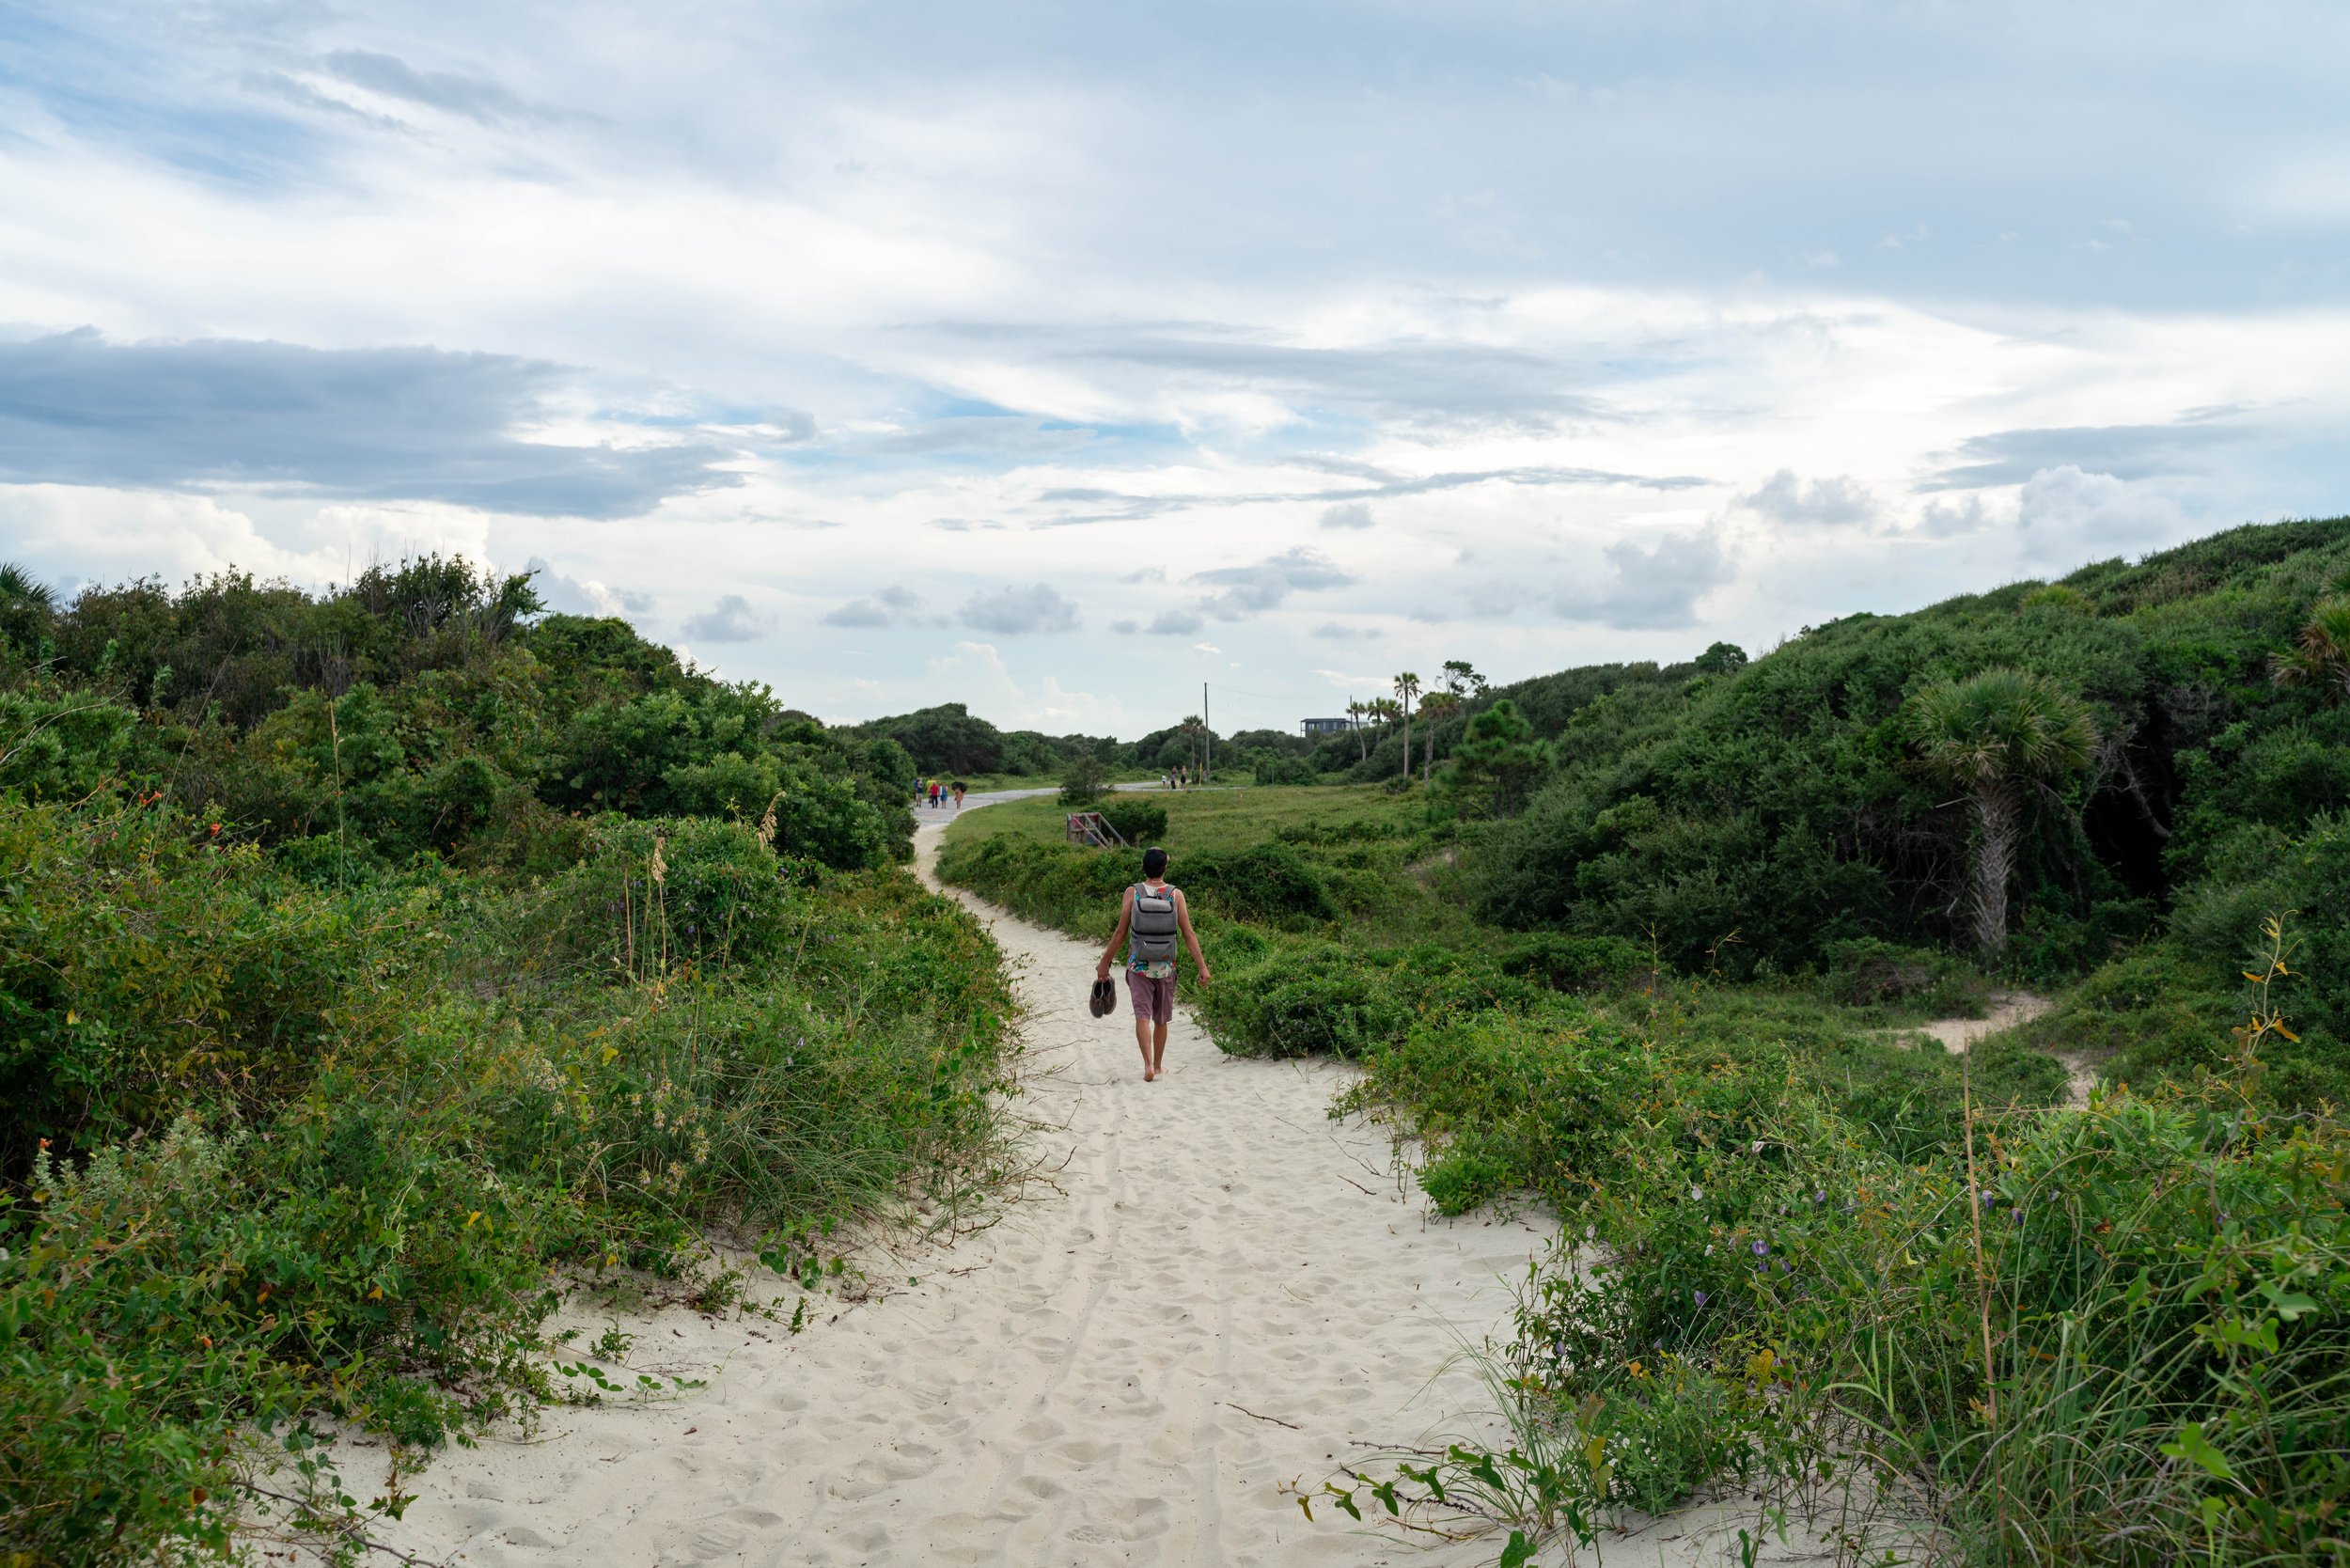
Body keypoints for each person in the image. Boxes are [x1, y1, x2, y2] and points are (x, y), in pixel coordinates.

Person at [1095, 847, 1210, 1081]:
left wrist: (1104, 963)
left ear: (1143, 867)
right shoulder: (1175, 895)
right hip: (1166, 967)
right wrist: (1203, 967)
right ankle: (1158, 1066)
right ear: (1164, 868)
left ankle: (1147, 1065)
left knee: (1142, 1016)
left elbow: (1120, 933)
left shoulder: (1132, 892)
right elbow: (1188, 933)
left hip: (1138, 967)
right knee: (1161, 1019)